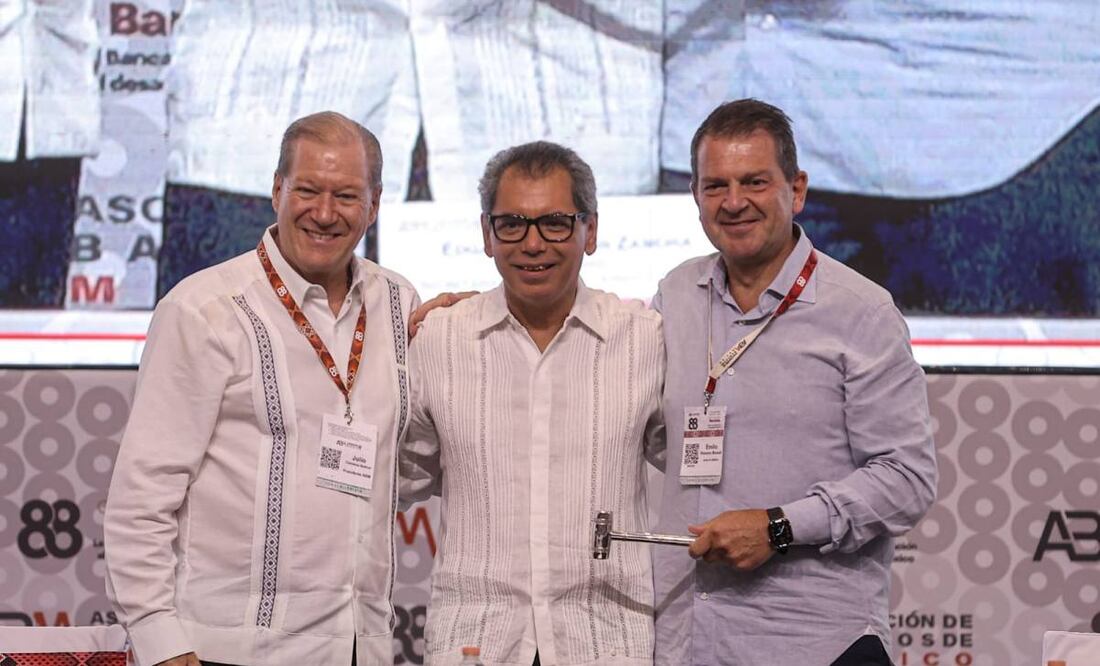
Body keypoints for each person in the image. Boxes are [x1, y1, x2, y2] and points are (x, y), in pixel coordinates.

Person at [104, 111, 420, 666]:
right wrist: (160, 642)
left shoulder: (399, 304)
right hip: (222, 651)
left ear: (374, 204)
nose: (324, 213)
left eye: (346, 195)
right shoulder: (204, 310)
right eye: (307, 190)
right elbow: (142, 496)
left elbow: (409, 461)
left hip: (358, 648)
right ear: (276, 190)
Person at [651, 98, 938, 665]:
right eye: (716, 186)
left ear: (797, 189)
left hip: (814, 642)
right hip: (686, 639)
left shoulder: (861, 311)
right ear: (696, 197)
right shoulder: (676, 294)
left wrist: (780, 527)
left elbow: (907, 479)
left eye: (754, 181)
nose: (734, 203)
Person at [400, 141, 665, 666]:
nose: (532, 243)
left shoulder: (645, 339)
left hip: (605, 644)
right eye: (512, 224)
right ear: (486, 235)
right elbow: (393, 478)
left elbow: (700, 472)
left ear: (589, 232)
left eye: (555, 223)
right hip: (475, 644)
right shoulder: (438, 340)